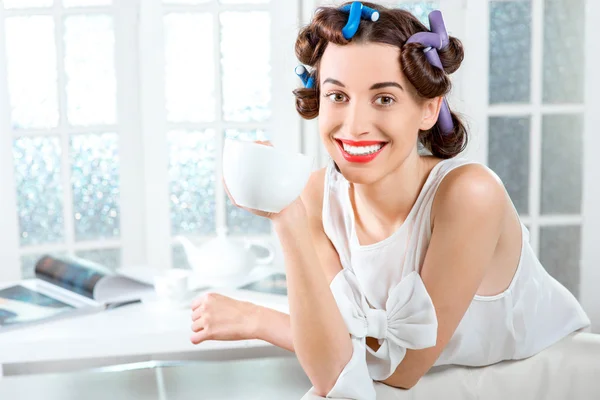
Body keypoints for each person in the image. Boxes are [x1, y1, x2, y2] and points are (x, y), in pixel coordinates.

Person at [190, 2, 590, 398]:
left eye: (384, 99)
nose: (355, 125)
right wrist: (286, 217)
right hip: (441, 382)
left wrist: (257, 319)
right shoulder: (314, 196)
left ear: (429, 109)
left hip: (549, 381)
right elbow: (337, 371)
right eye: (337, 96)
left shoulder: (469, 194)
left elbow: (398, 369)